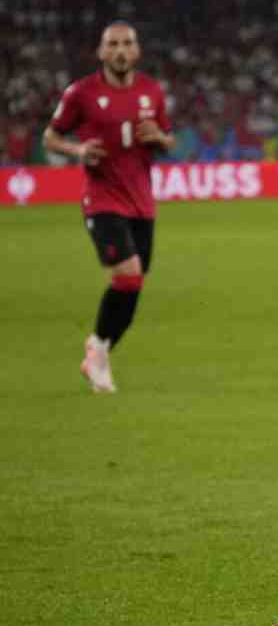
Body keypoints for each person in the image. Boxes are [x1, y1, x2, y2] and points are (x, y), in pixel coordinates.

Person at [42, 21, 175, 395]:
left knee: (134, 284)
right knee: (128, 276)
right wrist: (78, 150)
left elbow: (168, 140)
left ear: (137, 51)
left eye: (127, 44)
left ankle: (99, 349)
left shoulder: (151, 91)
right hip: (102, 199)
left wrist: (160, 137)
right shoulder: (81, 93)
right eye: (112, 44)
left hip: (142, 203)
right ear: (101, 52)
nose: (120, 51)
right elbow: (50, 137)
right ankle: (99, 354)